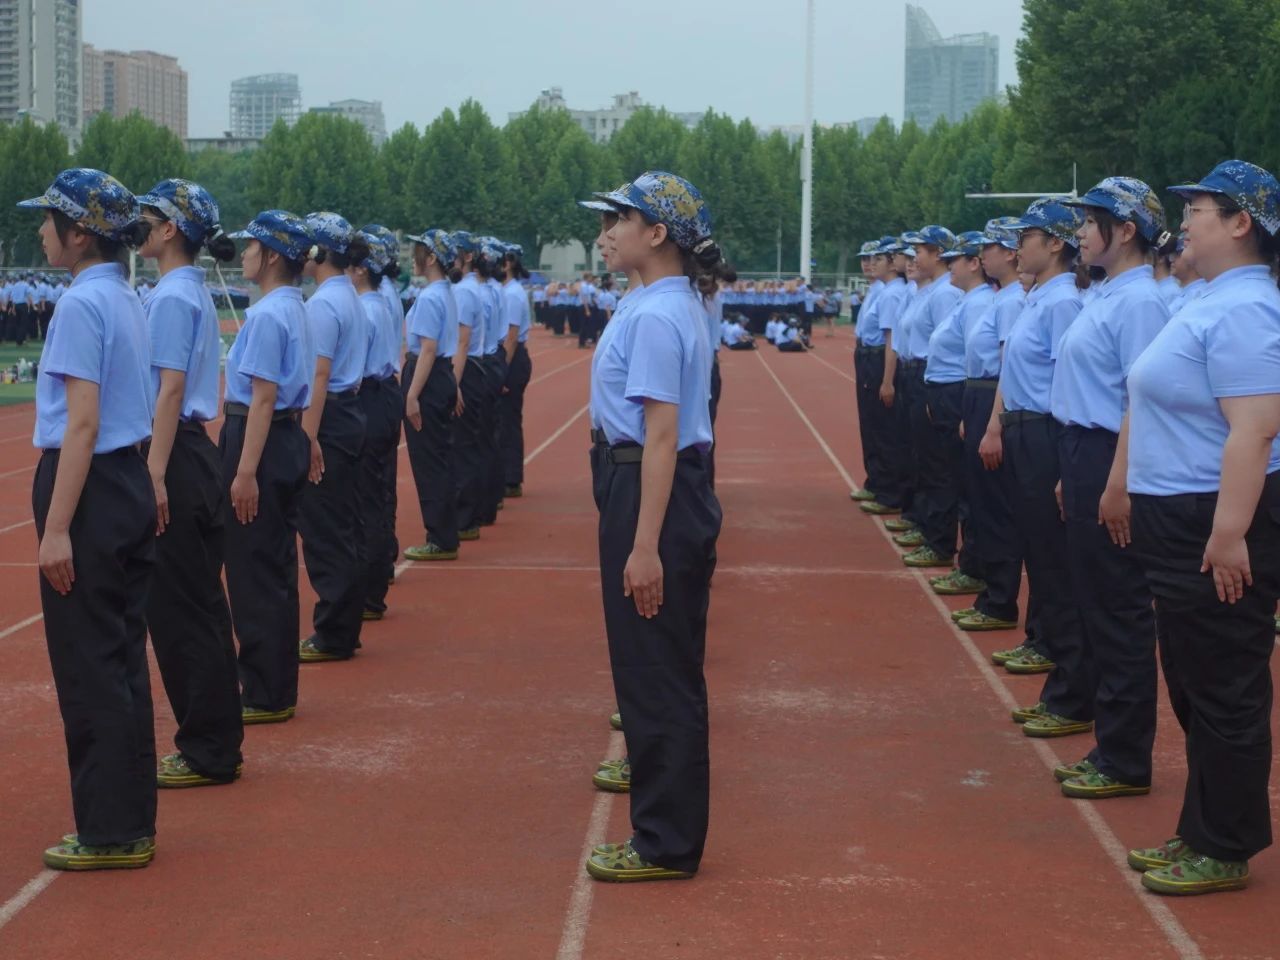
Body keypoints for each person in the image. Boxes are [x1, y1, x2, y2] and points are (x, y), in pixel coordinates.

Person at [1125, 160, 1280, 895]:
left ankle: (1224, 844)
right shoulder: (1212, 298)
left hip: (1211, 518)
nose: (1183, 221)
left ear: (1241, 223)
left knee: (1223, 684)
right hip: (1181, 515)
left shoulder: (1247, 309)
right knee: (1194, 681)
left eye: (1198, 210)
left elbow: (1253, 429)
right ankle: (1202, 826)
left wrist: (1227, 534)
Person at [579, 171, 724, 883]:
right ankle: (663, 819)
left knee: (656, 668)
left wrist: (644, 546)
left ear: (658, 233)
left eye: (621, 220)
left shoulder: (660, 315)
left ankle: (665, 841)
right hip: (638, 482)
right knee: (656, 662)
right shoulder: (656, 302)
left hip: (649, 489)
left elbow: (662, 434)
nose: (607, 234)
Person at [20, 169, 157, 871]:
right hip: (126, 480)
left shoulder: (80, 304)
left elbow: (81, 423)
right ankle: (130, 819)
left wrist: (55, 530)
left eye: (50, 220)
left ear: (79, 235)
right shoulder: (126, 296)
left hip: (93, 488)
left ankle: (108, 829)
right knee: (122, 656)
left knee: (90, 666)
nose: (41, 230)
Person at [1050, 178, 1173, 798]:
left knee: (1120, 610)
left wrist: (1117, 482)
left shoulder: (1140, 302)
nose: (1079, 231)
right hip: (1084, 452)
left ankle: (1125, 758)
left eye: (1089, 221)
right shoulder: (1106, 293)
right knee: (1094, 603)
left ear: (1125, 231)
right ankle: (1110, 745)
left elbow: (1137, 400)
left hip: (1110, 457)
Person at [135, 178, 243, 789]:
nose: (138, 226)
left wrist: (153, 473)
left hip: (173, 454)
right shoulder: (185, 290)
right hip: (187, 452)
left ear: (170, 229)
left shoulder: (175, 296)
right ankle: (216, 740)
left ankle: (207, 747)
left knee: (181, 612)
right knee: (199, 605)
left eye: (148, 217)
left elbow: (170, 388)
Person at [984, 198, 1091, 733]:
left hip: (1047, 433)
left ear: (1054, 243)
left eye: (1026, 236)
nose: (1016, 245)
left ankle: (1070, 693)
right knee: (1041, 558)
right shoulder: (1038, 298)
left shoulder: (1062, 302)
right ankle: (1056, 673)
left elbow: (1067, 383)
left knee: (1055, 565)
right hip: (1026, 430)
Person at [223, 210, 314, 724]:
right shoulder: (294, 307)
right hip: (285, 436)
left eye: (252, 247)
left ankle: (263, 690)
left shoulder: (266, 315)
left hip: (259, 439)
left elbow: (261, 398)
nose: (244, 254)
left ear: (273, 256)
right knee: (275, 567)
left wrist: (244, 472)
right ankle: (276, 685)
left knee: (253, 568)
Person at [296, 213, 370, 663]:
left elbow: (319, 375)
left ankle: (334, 632)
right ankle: (344, 625)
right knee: (344, 524)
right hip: (348, 413)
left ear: (320, 252)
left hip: (330, 417)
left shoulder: (324, 303)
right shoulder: (347, 295)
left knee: (326, 529)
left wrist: (307, 438)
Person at [953, 218, 1031, 634]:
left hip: (993, 398)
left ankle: (999, 599)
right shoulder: (1004, 297)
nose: (983, 255)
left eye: (990, 247)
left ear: (1011, 253)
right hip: (981, 396)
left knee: (996, 508)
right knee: (983, 502)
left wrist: (992, 423)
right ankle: (990, 592)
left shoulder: (1014, 300)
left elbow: (1007, 367)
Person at [919, 231, 994, 591]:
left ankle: (970, 562)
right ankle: (960, 555)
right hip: (948, 392)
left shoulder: (979, 302)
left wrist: (964, 408)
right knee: (948, 474)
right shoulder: (968, 300)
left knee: (962, 484)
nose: (949, 267)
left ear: (974, 264)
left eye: (955, 261)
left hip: (960, 393)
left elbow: (973, 359)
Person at [894, 226, 963, 567]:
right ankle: (926, 525)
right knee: (923, 457)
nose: (913, 257)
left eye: (919, 251)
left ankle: (938, 540)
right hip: (917, 373)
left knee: (937, 465)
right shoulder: (928, 291)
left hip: (930, 377)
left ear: (938, 254)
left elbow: (945, 345)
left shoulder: (945, 293)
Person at [349, 228, 402, 621]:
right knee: (379, 492)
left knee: (365, 496)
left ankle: (369, 589)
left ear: (361, 270)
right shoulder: (382, 302)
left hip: (368, 395)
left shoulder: (365, 309)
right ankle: (378, 575)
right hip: (384, 394)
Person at [401, 228, 461, 561]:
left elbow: (427, 348)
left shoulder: (429, 297)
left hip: (428, 377)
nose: (414, 258)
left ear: (433, 257)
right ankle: (445, 532)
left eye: (419, 252)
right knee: (441, 457)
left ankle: (439, 537)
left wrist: (412, 395)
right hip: (441, 375)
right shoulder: (445, 293)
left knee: (429, 461)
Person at [450, 231, 488, 542]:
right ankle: (470, 514)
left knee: (462, 447)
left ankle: (464, 519)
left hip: (467, 370)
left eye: (454, 252)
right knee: (470, 445)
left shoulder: (463, 291)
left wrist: (454, 384)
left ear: (468, 257)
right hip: (476, 368)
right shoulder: (472, 288)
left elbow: (462, 341)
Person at [501, 243, 533, 498]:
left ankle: (511, 478)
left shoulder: (512, 294)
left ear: (508, 263)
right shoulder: (507, 290)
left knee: (508, 421)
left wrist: (501, 372)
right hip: (510, 357)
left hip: (512, 359)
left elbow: (511, 337)